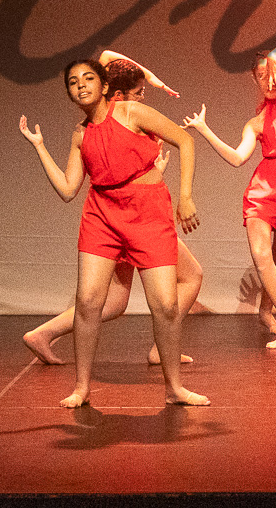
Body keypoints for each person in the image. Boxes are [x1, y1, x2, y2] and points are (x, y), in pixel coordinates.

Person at [18, 59, 207, 407]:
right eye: (73, 82)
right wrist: (39, 146)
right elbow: (68, 189)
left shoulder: (132, 112)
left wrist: (185, 197)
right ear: (70, 93)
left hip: (148, 212)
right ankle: (81, 388)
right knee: (89, 302)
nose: (81, 85)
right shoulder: (80, 135)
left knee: (165, 304)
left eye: (88, 78)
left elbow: (185, 140)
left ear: (105, 86)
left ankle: (174, 388)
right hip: (102, 215)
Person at [184, 27, 276, 349]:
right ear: (255, 82)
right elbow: (237, 158)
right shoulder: (256, 122)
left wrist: (275, 52)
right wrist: (204, 130)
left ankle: (265, 311)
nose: (267, 81)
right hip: (265, 190)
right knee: (262, 255)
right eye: (261, 77)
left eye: (271, 72)